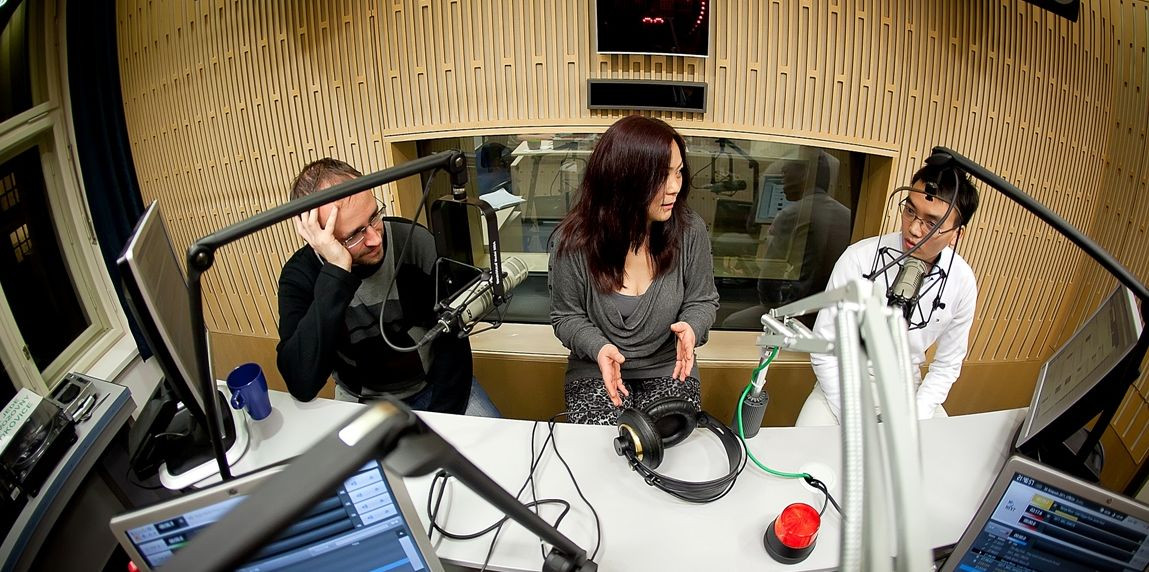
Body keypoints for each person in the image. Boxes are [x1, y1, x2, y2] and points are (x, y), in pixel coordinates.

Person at [275, 158, 499, 416]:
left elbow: (453, 344)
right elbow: (302, 383)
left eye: (374, 217)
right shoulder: (300, 275)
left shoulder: (415, 241)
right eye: (353, 235)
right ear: (319, 239)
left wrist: (439, 422)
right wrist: (336, 271)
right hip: (363, 399)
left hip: (436, 386)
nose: (374, 238)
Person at [549, 116, 720, 425]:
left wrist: (692, 328)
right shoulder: (572, 241)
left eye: (678, 172)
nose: (674, 188)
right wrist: (599, 348)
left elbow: (703, 301)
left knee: (670, 441)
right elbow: (566, 316)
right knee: (603, 448)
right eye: (661, 176)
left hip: (670, 366)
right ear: (623, 179)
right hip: (596, 368)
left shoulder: (691, 230)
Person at [795, 161, 980, 426]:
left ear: (956, 234)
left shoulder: (961, 282)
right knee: (805, 453)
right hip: (843, 382)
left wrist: (913, 416)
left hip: (908, 390)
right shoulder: (858, 259)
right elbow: (824, 347)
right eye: (910, 211)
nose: (914, 229)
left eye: (932, 223)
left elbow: (947, 365)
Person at [721, 150, 852, 328]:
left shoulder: (793, 214)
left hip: (800, 317)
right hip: (831, 315)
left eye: (786, 171)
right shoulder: (848, 214)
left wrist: (776, 305)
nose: (782, 176)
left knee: (730, 322)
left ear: (807, 174)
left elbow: (768, 284)